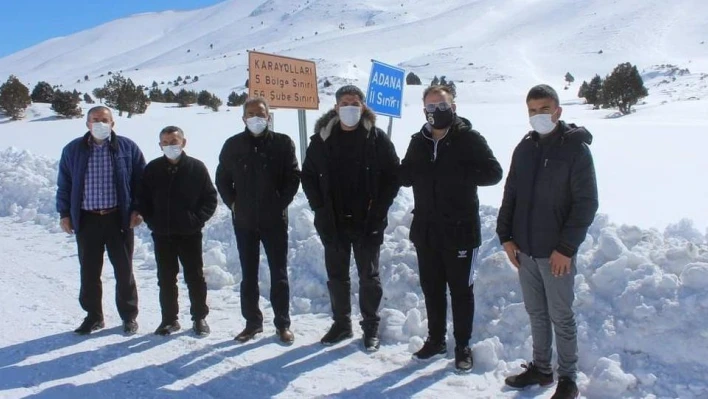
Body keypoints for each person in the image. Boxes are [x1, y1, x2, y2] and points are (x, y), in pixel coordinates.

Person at [497, 84, 598, 399]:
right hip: (525, 250)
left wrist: (566, 248)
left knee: (561, 315)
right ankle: (541, 368)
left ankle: (567, 378)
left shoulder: (575, 150)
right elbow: (511, 193)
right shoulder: (524, 148)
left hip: (556, 254)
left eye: (544, 109)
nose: (538, 115)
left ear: (558, 111)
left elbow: (586, 203)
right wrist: (506, 237)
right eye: (532, 110)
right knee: (536, 313)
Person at [399, 85, 502, 372]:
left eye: (442, 107)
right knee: (432, 289)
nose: (437, 112)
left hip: (461, 232)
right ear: (424, 111)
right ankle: (435, 340)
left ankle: (462, 346)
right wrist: (399, 172)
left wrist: (459, 172)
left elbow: (494, 172)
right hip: (426, 231)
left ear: (453, 108)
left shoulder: (468, 138)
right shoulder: (417, 142)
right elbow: (406, 173)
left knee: (460, 291)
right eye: (431, 108)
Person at [301, 85, 399, 352]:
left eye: (355, 103)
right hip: (333, 220)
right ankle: (342, 323)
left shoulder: (377, 138)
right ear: (336, 107)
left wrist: (379, 209)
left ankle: (371, 327)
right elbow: (308, 175)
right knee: (337, 275)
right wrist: (319, 207)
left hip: (367, 220)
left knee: (369, 276)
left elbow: (393, 176)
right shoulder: (321, 140)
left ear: (363, 106)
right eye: (345, 103)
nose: (350, 108)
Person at [215, 97, 301, 344]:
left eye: (260, 114)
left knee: (279, 272)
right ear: (243, 118)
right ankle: (252, 323)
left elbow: (293, 177)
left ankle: (282, 324)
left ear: (268, 117)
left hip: (274, 220)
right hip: (244, 221)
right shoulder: (233, 146)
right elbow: (222, 179)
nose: (256, 118)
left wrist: (279, 203)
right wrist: (234, 204)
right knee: (249, 273)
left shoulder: (282, 143)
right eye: (251, 114)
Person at [56, 105, 145, 335]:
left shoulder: (127, 148)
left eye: (104, 120)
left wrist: (137, 209)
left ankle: (128, 316)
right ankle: (93, 316)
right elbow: (64, 184)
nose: (100, 124)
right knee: (89, 271)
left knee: (124, 271)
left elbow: (140, 182)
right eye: (95, 119)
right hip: (87, 220)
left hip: (119, 218)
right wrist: (64, 213)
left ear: (113, 123)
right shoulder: (73, 150)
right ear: (87, 123)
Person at [140, 126, 217, 336]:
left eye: (174, 141)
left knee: (195, 277)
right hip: (162, 234)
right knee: (165, 278)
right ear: (159, 145)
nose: (170, 146)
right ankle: (169, 319)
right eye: (165, 142)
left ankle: (199, 317)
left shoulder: (196, 167)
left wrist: (196, 219)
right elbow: (143, 198)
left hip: (189, 234)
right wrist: (151, 220)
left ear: (183, 142)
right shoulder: (153, 169)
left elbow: (210, 198)